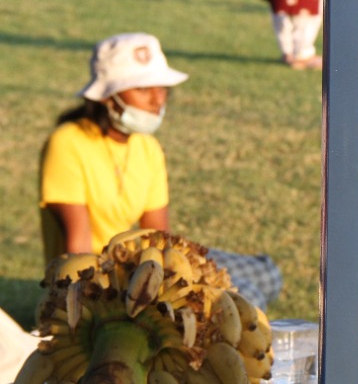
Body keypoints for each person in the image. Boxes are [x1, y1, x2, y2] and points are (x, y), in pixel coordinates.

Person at [40, 33, 282, 309]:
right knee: (245, 297)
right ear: (107, 95)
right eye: (143, 90)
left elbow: (158, 237)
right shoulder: (68, 142)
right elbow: (78, 252)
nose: (158, 99)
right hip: (101, 280)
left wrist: (180, 273)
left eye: (162, 87)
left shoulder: (148, 147)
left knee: (269, 275)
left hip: (140, 261)